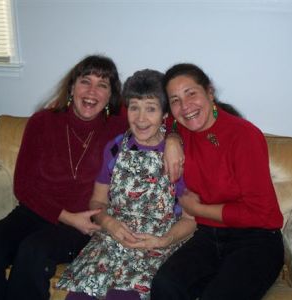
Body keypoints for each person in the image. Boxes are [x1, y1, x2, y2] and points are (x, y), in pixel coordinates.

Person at [0, 56, 183, 300]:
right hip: (36, 211)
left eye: (102, 85)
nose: (92, 91)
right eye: (85, 81)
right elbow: (23, 186)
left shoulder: (118, 124)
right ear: (72, 87)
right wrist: (66, 216)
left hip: (84, 222)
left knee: (34, 251)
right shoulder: (42, 122)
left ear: (111, 95)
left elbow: (162, 111)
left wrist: (174, 138)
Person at [57, 69, 196, 300]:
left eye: (151, 108)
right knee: (79, 296)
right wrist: (109, 223)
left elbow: (191, 220)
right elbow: (98, 200)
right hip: (112, 239)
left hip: (157, 243)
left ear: (164, 114)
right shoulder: (114, 148)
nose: (141, 119)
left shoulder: (178, 156)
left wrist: (163, 241)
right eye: (134, 107)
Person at [150, 63, 284, 300]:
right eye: (175, 100)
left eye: (191, 93)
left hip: (257, 240)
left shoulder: (243, 136)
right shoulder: (181, 129)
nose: (185, 107)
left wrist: (197, 209)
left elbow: (262, 213)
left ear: (209, 93)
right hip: (208, 237)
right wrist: (171, 138)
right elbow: (143, 117)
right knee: (165, 285)